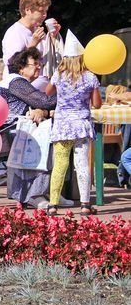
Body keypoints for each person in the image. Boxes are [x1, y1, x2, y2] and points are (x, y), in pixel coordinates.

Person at [0, 47, 68, 209]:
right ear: (21, 68)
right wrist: (71, 93)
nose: (39, 67)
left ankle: (51, 190)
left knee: (56, 136)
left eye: (40, 63)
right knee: (49, 138)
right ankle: (35, 193)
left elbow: (39, 105)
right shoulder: (16, 82)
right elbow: (44, 101)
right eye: (35, 64)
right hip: (7, 131)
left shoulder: (14, 82)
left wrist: (43, 110)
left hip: (11, 128)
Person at [44, 31, 102, 215]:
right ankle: (85, 204)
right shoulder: (90, 77)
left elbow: (48, 92)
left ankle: (53, 204)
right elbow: (97, 104)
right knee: (82, 164)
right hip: (81, 125)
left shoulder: (58, 75)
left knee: (60, 164)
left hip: (62, 125)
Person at [2, 0, 64, 91]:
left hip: (42, 88)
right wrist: (33, 44)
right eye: (41, 11)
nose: (44, 15)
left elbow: (49, 57)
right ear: (27, 10)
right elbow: (12, 63)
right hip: (22, 89)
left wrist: (53, 37)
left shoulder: (37, 31)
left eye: (46, 11)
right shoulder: (14, 32)